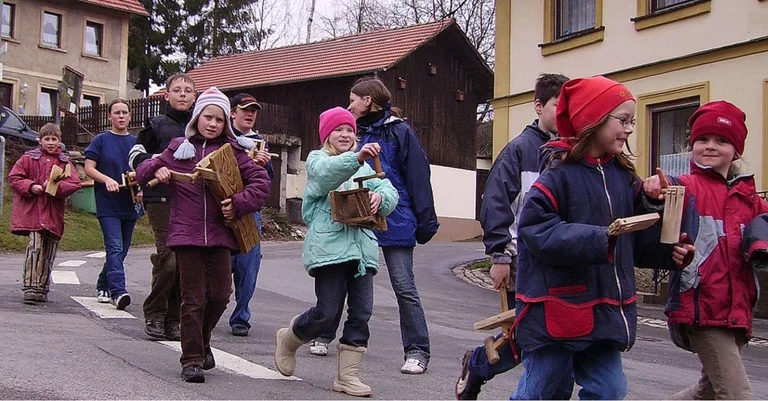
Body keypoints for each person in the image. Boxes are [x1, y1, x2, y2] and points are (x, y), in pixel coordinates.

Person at [510, 76, 695, 399]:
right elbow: (536, 231)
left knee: (609, 390)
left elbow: (634, 243)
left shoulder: (624, 177)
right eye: (623, 120)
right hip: (558, 310)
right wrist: (601, 238)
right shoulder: (556, 176)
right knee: (540, 391)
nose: (629, 129)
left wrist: (670, 252)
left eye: (632, 122)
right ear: (592, 120)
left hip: (604, 311)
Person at [135, 87, 270, 383]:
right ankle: (192, 359)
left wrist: (238, 203)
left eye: (219, 120)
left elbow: (261, 182)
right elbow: (142, 172)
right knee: (192, 299)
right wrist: (157, 171)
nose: (213, 124)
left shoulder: (233, 152)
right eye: (208, 117)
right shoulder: (178, 148)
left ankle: (203, 339)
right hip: (187, 235)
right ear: (197, 118)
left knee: (221, 296)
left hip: (221, 235)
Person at [643, 100, 768, 400]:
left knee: (707, 392)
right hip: (702, 307)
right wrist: (654, 190)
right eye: (703, 140)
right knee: (736, 394)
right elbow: (664, 192)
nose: (710, 146)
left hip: (737, 309)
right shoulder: (687, 186)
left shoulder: (751, 200)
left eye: (721, 141)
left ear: (736, 151)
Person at [455, 73, 569, 400]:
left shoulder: (572, 151)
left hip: (561, 263)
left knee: (554, 338)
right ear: (539, 106)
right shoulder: (519, 151)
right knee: (531, 335)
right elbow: (496, 204)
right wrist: (500, 255)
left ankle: (479, 364)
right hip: (523, 260)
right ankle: (479, 363)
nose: (564, 113)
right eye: (557, 105)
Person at [313, 76, 437, 374]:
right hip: (352, 218)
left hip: (395, 217)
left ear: (367, 100)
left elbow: (418, 176)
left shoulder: (399, 131)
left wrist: (425, 221)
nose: (349, 106)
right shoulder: (350, 131)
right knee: (343, 275)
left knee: (404, 286)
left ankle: (417, 350)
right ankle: (324, 334)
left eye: (353, 99)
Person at [274, 107, 398, 397]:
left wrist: (380, 198)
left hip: (362, 252)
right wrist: (356, 158)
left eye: (350, 130)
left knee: (362, 313)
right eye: (338, 130)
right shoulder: (318, 160)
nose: (345, 134)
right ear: (326, 135)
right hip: (329, 250)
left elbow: (389, 190)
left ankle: (348, 376)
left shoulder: (366, 166)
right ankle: (290, 339)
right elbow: (325, 176)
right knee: (326, 313)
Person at [129, 72, 196, 341]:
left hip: (191, 201)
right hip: (160, 198)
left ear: (194, 97)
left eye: (187, 90)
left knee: (184, 263)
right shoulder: (155, 125)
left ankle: (173, 318)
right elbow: (135, 156)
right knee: (169, 259)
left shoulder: (201, 126)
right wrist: (156, 164)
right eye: (177, 90)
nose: (182, 94)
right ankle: (155, 312)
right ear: (166, 95)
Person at [9, 123, 81, 304]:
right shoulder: (28, 158)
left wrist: (55, 187)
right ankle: (30, 285)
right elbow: (15, 178)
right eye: (47, 139)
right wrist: (31, 186)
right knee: (35, 246)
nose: (50, 142)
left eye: (54, 139)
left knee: (49, 250)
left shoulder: (64, 162)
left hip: (53, 213)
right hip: (33, 212)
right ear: (40, 141)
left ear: (59, 141)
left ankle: (42, 286)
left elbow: (74, 183)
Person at [85, 99, 143, 310]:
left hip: (130, 205)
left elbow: (145, 170)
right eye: (117, 112)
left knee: (121, 250)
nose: (121, 116)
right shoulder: (100, 140)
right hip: (108, 204)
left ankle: (103, 284)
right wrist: (107, 180)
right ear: (109, 116)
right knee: (115, 247)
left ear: (130, 116)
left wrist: (142, 189)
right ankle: (118, 292)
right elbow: (89, 168)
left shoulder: (136, 143)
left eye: (124, 112)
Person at [228, 93, 274, 337]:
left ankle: (241, 317)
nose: (250, 114)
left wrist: (264, 165)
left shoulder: (260, 142)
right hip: (221, 209)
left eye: (253, 111)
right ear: (232, 112)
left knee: (248, 266)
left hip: (249, 211)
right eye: (245, 109)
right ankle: (207, 310)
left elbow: (268, 181)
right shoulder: (224, 138)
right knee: (219, 265)